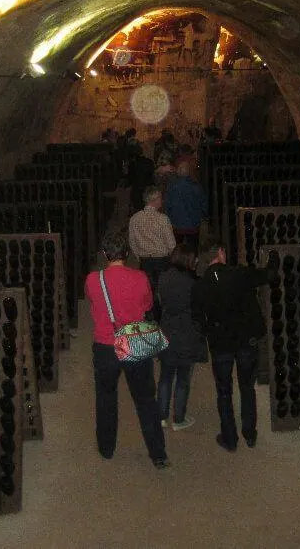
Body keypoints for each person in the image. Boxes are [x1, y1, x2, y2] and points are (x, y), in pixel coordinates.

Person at [84, 230, 169, 469]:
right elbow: (147, 306)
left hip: (105, 346)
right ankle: (158, 453)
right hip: (133, 343)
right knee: (145, 400)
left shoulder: (93, 280)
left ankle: (106, 448)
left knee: (105, 398)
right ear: (128, 253)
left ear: (103, 254)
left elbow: (92, 302)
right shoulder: (141, 278)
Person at [192, 242, 272, 452]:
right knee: (247, 387)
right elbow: (268, 275)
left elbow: (197, 319)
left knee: (224, 392)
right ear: (220, 253)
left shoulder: (200, 285)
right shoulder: (240, 274)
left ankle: (230, 439)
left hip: (221, 345)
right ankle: (250, 434)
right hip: (246, 341)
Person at [156, 245, 207, 431]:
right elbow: (199, 310)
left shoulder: (163, 277)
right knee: (183, 378)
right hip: (187, 334)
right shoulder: (193, 283)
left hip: (167, 331)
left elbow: (160, 303)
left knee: (165, 377)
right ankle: (178, 419)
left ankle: (161, 417)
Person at [128, 185, 176, 316]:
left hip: (145, 260)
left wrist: (140, 256)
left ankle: (150, 318)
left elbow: (132, 242)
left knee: (148, 291)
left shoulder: (135, 219)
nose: (162, 200)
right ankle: (163, 317)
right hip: (162, 260)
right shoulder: (163, 219)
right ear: (154, 200)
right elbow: (171, 244)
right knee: (163, 290)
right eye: (161, 198)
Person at [164, 160, 207, 249]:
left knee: (177, 248)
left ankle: (178, 262)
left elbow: (167, 205)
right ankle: (192, 261)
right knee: (193, 248)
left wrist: (169, 219)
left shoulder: (171, 187)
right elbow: (203, 204)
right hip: (193, 225)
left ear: (178, 171)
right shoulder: (197, 187)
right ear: (189, 172)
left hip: (176, 225)